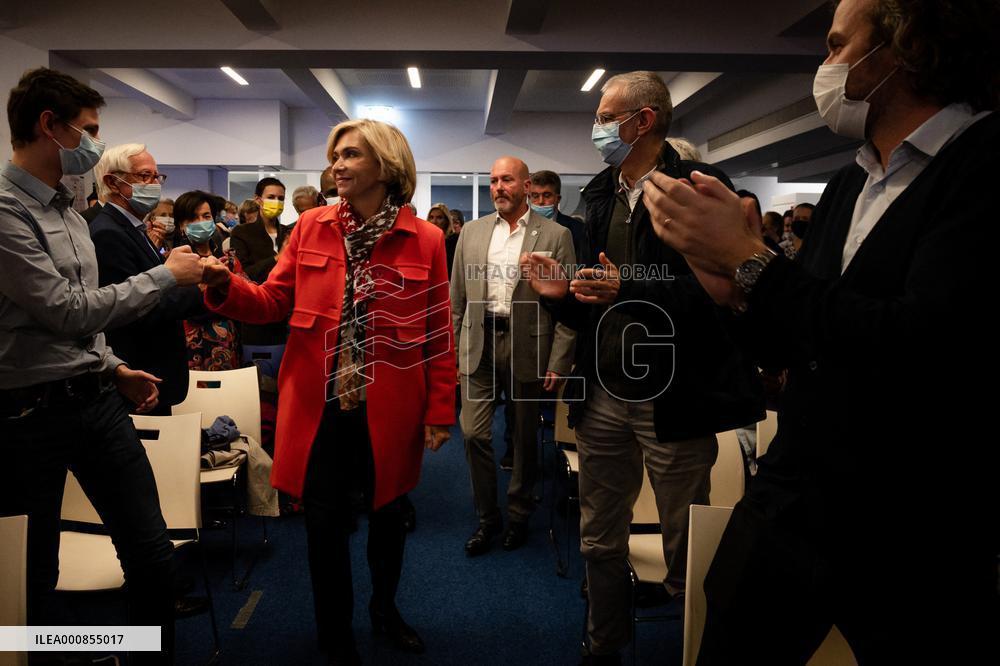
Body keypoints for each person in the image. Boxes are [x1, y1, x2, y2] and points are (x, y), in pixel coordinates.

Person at [641, 0, 998, 662]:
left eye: (837, 44)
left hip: (917, 525)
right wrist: (733, 292)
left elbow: (921, 342)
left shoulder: (984, 165)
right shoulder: (848, 183)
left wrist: (752, 265)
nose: (825, 65)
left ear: (902, 47)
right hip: (794, 501)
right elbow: (793, 342)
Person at [523, 71, 761, 664]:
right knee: (599, 540)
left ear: (643, 121)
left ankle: (696, 649)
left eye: (606, 115)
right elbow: (599, 304)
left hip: (676, 398)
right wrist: (563, 296)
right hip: (604, 393)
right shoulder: (600, 193)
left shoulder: (700, 187)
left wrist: (627, 285)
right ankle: (605, 645)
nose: (597, 127)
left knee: (685, 549)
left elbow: (719, 292)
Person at [201, 118, 454, 664]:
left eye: (351, 155)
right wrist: (228, 288)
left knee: (389, 517)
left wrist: (440, 411)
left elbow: (438, 328)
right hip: (318, 409)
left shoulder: (426, 238)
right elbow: (271, 302)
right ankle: (334, 633)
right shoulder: (311, 225)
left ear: (386, 167)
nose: (336, 165)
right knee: (323, 527)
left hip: (389, 408)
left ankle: (385, 611)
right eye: (335, 155)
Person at [0, 67, 204, 664]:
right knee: (34, 572)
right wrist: (165, 276)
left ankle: (142, 656)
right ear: (49, 126)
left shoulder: (68, 209)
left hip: (94, 399)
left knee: (151, 553)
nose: (93, 142)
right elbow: (66, 310)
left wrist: (111, 366)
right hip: (26, 414)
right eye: (88, 130)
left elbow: (85, 322)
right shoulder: (8, 212)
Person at [451, 156, 576, 556]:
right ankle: (488, 518)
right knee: (473, 434)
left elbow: (569, 305)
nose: (498, 187)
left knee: (524, 439)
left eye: (506, 179)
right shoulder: (471, 232)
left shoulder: (555, 235)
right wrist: (454, 350)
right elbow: (456, 299)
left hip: (529, 345)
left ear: (525, 186)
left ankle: (519, 513)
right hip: (479, 343)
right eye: (492, 181)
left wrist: (559, 359)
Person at [90, 144, 204, 413]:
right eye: (144, 176)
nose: (154, 184)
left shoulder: (134, 229)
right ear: (112, 182)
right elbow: (138, 307)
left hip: (154, 374)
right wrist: (198, 286)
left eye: (157, 176)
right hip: (138, 376)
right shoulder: (109, 233)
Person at [174, 190, 244, 371]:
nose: (201, 222)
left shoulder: (228, 260)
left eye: (206, 216)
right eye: (193, 218)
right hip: (190, 348)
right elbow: (178, 305)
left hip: (227, 344)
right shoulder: (174, 262)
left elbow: (245, 296)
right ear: (182, 225)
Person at [530, 169, 589, 263]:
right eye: (535, 196)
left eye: (547, 195)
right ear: (529, 198)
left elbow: (581, 265)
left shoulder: (577, 229)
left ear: (558, 199)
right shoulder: (521, 226)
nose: (541, 201)